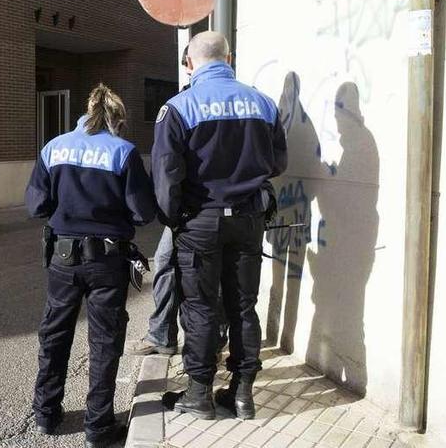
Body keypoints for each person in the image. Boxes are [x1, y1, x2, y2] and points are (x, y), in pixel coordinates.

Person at [153, 32, 287, 420]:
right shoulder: (262, 102)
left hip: (200, 222)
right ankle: (243, 395)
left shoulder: (178, 108)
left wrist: (175, 218)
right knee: (243, 306)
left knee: (200, 308)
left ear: (191, 63)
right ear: (229, 57)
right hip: (248, 219)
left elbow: (165, 177)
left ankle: (199, 393)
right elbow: (278, 163)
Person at [26, 84, 157, 448]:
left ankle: (45, 415)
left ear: (84, 113)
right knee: (104, 341)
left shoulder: (54, 147)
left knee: (54, 335)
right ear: (118, 119)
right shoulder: (124, 152)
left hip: (63, 259)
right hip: (107, 261)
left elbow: (36, 206)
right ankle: (98, 428)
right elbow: (143, 212)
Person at [125, 45, 228, 358]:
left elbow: (167, 167)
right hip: (229, 208)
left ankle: (185, 342)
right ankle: (172, 336)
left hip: (191, 210)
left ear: (189, 63)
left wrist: (169, 214)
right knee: (189, 270)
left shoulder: (182, 104)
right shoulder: (244, 98)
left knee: (179, 270)